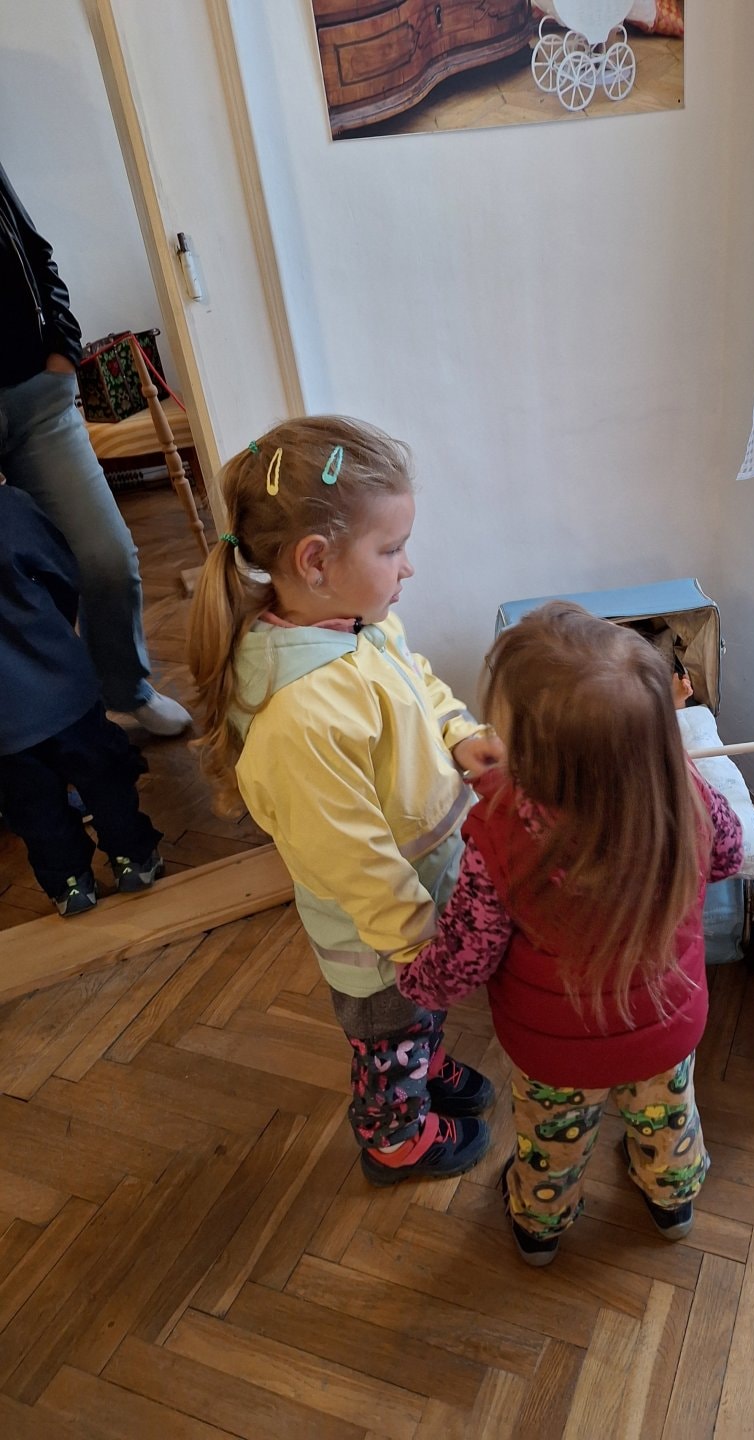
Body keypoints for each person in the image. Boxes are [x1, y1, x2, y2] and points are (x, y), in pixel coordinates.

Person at [186, 415, 504, 1184]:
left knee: (418, 1023)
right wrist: (423, 949)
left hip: (420, 903)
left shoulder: (362, 627)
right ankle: (396, 1139)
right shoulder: (300, 718)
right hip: (380, 942)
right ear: (316, 561)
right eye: (392, 549)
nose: (408, 567)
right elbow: (355, 860)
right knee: (388, 1039)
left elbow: (417, 683)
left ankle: (425, 1060)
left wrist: (459, 734)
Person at [396, 602, 744, 1266]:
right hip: (666, 1028)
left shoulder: (500, 831)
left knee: (551, 1142)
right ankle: (672, 1201)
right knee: (668, 1121)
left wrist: (416, 980)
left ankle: (540, 1226)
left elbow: (466, 957)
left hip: (557, 1051)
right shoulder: (685, 793)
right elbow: (726, 857)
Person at [0, 160, 190, 735]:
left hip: (38, 401)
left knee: (108, 560)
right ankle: (41, 737)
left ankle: (125, 691)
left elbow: (35, 254)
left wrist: (63, 348)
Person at [0, 483, 164, 915]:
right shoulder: (10, 507)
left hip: (6, 730)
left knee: (34, 807)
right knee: (105, 777)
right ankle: (134, 858)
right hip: (62, 688)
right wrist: (50, 627)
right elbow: (60, 572)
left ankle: (69, 885)